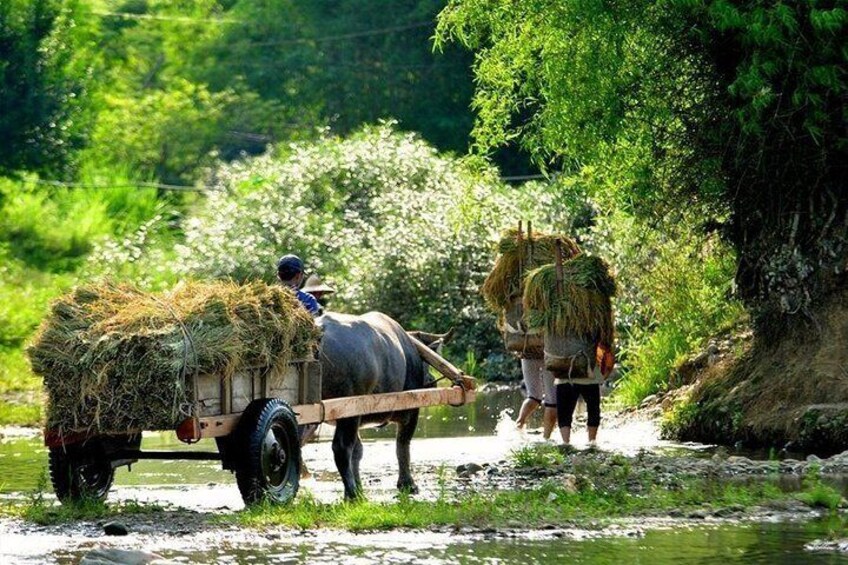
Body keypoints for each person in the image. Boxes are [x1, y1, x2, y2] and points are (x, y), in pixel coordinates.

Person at [555, 341, 614, 445]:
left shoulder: (559, 329)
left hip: (565, 374)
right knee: (593, 409)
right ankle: (592, 442)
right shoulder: (593, 327)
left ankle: (565, 443)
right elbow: (606, 348)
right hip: (590, 375)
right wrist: (604, 374)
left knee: (564, 412)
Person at [515, 359, 558, 439]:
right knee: (552, 401)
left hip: (528, 354)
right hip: (548, 355)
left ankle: (518, 426)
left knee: (533, 397)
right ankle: (546, 438)